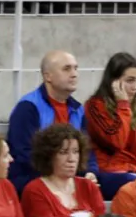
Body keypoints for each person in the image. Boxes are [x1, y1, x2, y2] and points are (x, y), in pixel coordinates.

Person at [7, 51, 92, 190]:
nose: (74, 74)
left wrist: (90, 172)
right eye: (66, 69)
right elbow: (23, 153)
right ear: (48, 76)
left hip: (69, 174)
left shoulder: (78, 109)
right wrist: (58, 173)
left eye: (76, 68)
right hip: (33, 176)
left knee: (123, 182)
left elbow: (87, 150)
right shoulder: (28, 107)